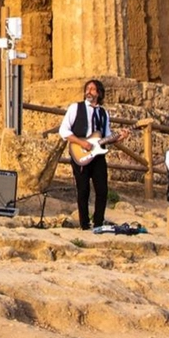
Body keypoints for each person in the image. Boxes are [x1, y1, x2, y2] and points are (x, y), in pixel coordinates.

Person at [58, 79, 127, 230]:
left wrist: (119, 137)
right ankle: (84, 224)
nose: (89, 91)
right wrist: (82, 143)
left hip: (98, 156)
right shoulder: (75, 108)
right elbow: (64, 131)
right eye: (87, 88)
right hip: (80, 153)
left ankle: (98, 223)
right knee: (83, 190)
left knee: (102, 189)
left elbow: (107, 136)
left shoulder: (103, 113)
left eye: (93, 89)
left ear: (99, 93)